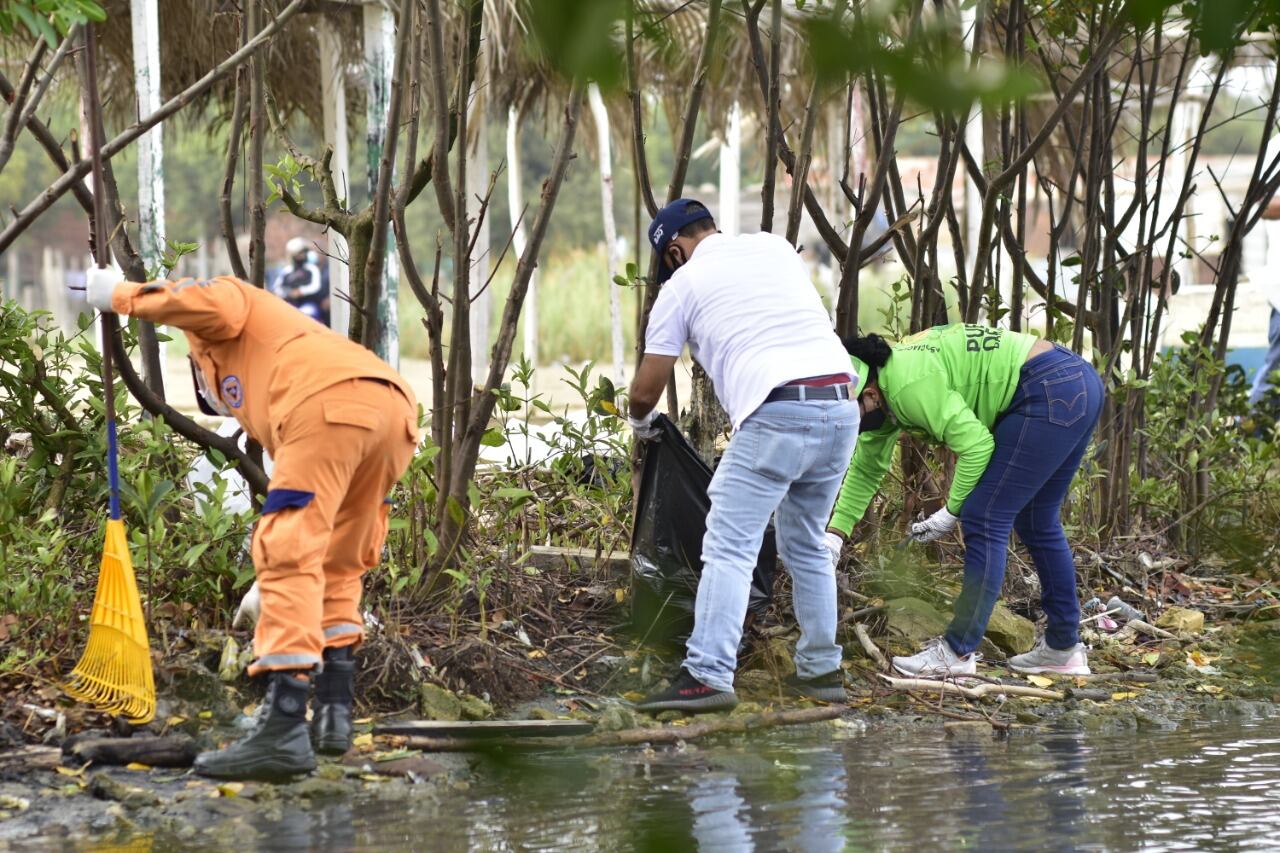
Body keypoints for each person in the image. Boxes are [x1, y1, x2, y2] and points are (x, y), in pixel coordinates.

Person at [85, 267, 418, 780]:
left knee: (285, 546)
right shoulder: (283, 348)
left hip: (325, 402)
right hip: (392, 411)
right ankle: (334, 713)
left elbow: (210, 303)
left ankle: (282, 729)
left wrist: (119, 295)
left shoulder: (229, 298)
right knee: (339, 559)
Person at [629, 198, 861, 713]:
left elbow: (645, 391)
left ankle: (706, 675)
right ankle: (821, 671)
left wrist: (640, 426)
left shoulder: (682, 286)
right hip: (841, 407)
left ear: (674, 251)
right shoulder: (774, 249)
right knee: (806, 543)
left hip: (778, 411)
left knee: (730, 546)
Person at [825, 325, 1104, 678]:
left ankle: (956, 653)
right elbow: (866, 470)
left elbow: (976, 446)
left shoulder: (908, 385)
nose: (847, 426)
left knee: (984, 517)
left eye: (849, 415)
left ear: (869, 394)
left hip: (1045, 385)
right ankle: (1063, 649)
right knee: (1037, 519)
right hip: (1075, 381)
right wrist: (834, 535)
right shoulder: (884, 391)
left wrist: (951, 511)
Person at [271, 237, 327, 324]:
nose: (302, 255)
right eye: (299, 253)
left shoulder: (311, 269)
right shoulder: (287, 271)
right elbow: (277, 288)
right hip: (289, 305)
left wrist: (301, 291)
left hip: (309, 304)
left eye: (303, 252)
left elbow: (316, 286)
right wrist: (288, 293)